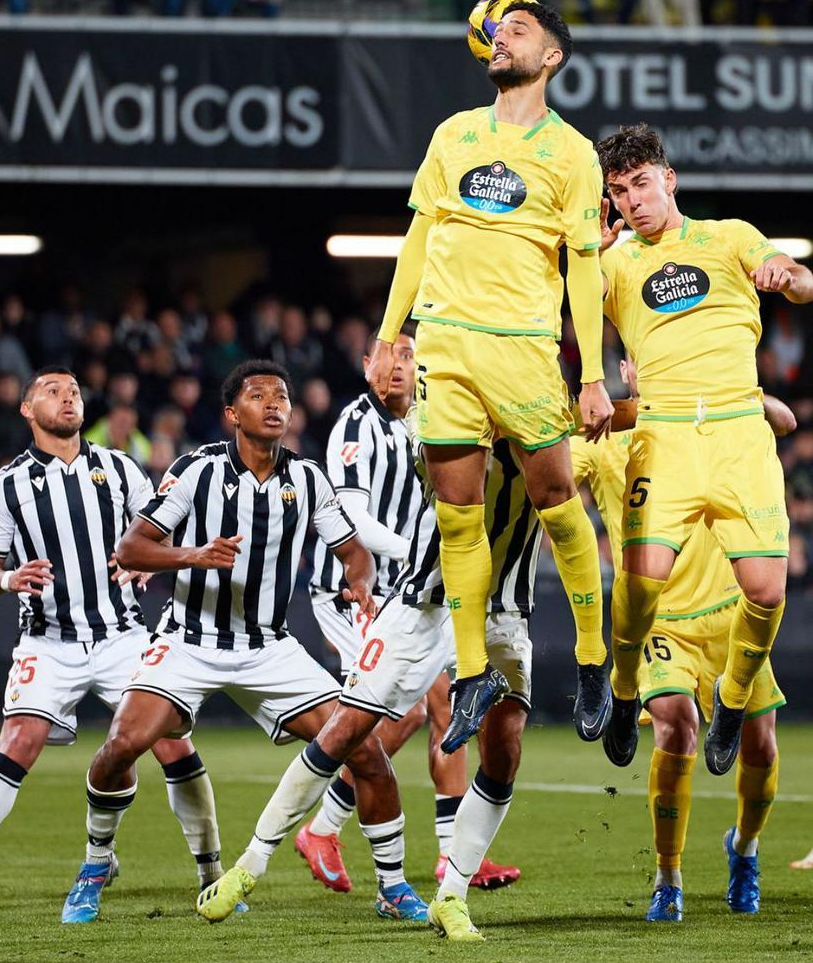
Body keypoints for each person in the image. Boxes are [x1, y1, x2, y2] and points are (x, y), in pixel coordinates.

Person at [62, 361, 429, 925]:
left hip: (269, 647)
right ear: (234, 414)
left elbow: (352, 549)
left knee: (368, 751)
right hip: (189, 640)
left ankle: (393, 885)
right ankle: (94, 865)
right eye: (259, 396)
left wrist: (360, 582)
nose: (275, 403)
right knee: (119, 745)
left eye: (281, 395)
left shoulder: (307, 478)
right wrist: (193, 554)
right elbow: (132, 549)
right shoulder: (196, 471)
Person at [368, 0, 614, 753]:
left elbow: (583, 265)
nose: (503, 36)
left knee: (554, 498)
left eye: (522, 30)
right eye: (498, 30)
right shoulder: (453, 134)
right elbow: (419, 238)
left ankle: (594, 653)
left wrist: (593, 374)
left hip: (525, 348)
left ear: (551, 58)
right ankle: (472, 669)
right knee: (457, 514)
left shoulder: (573, 154)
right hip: (446, 343)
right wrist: (389, 336)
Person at [197, 424, 544, 940]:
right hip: (423, 606)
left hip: (502, 611)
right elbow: (444, 471)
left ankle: (452, 894)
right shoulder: (449, 408)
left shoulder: (550, 424)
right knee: (346, 728)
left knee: (504, 749)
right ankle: (250, 865)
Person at [0, 367, 223, 915]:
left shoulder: (120, 467)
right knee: (18, 741)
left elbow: (157, 536)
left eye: (75, 391)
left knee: (171, 742)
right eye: (53, 391)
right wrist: (10, 578)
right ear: (27, 410)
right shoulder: (8, 483)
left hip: (122, 636)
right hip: (48, 640)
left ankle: (211, 873)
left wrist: (147, 564)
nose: (69, 398)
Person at [594, 124, 813, 775]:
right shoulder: (615, 261)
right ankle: (624, 683)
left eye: (640, 182)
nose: (632, 200)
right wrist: (579, 257)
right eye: (618, 191)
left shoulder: (727, 236)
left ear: (669, 178)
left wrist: (788, 274)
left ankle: (734, 696)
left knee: (767, 590)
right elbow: (550, 306)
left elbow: (801, 280)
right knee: (639, 581)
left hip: (738, 431)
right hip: (663, 435)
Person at [572, 356, 794, 922]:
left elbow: (785, 419)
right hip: (661, 619)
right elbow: (550, 469)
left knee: (761, 745)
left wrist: (736, 401)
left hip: (730, 610)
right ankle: (667, 876)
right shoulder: (605, 436)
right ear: (627, 367)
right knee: (676, 722)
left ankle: (743, 847)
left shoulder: (717, 415)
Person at [299, 327, 520, 893]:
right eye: (386, 356)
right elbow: (353, 521)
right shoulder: (357, 423)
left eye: (408, 356)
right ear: (365, 362)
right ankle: (321, 826)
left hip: (414, 590)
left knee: (447, 704)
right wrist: (427, 551)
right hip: (354, 589)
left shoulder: (426, 416)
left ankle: (450, 855)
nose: (397, 366)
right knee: (402, 712)